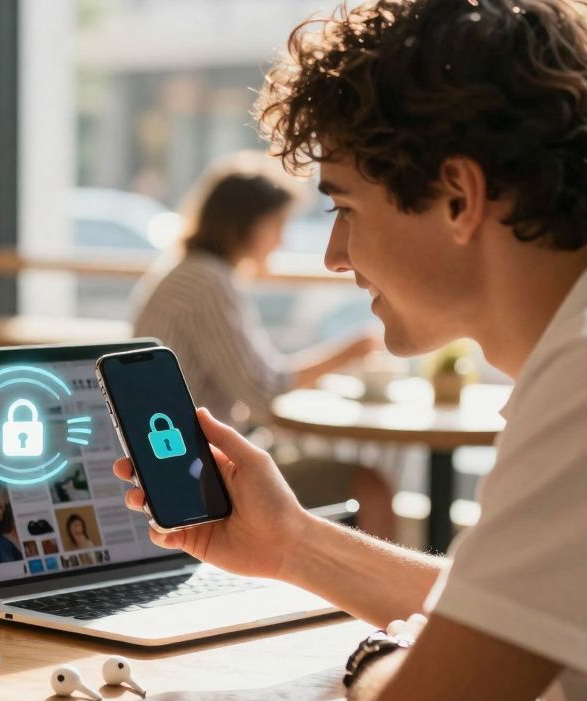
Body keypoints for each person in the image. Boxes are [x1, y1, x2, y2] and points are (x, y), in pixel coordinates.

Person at [115, 1, 587, 701]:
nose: (335, 256)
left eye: (346, 207)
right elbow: (511, 612)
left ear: (459, 197)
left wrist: (387, 653)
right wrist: (293, 544)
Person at [132, 151, 397, 537]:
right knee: (370, 486)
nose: (281, 238)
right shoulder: (207, 283)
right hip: (199, 469)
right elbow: (261, 391)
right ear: (246, 224)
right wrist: (348, 353)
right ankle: (389, 598)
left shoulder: (186, 271)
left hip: (176, 459)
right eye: (277, 224)